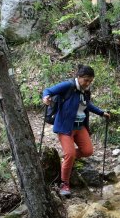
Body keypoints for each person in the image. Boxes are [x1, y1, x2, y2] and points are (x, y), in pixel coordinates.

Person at [42, 64, 110, 196]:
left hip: (80, 127)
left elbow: (87, 104)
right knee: (71, 154)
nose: (88, 83)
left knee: (88, 151)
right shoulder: (68, 86)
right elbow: (48, 91)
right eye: (86, 80)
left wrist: (101, 113)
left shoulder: (85, 91)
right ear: (79, 77)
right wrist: (45, 98)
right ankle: (64, 183)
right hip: (65, 127)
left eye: (90, 81)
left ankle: (67, 158)